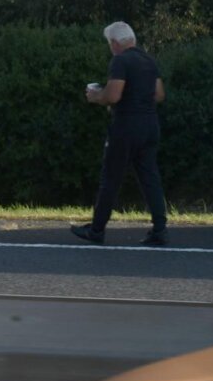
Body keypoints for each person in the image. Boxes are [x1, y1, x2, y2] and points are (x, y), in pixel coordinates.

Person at [72, 22, 169, 246]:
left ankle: (97, 230)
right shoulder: (148, 60)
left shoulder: (120, 60)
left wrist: (96, 96)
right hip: (150, 124)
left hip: (126, 127)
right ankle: (160, 228)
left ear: (115, 43)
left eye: (110, 44)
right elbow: (159, 94)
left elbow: (113, 96)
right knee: (150, 177)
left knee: (111, 178)